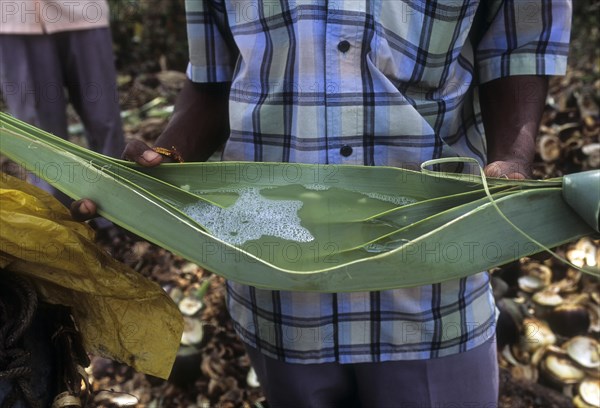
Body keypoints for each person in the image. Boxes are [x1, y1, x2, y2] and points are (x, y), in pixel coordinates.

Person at [73, 1, 572, 406]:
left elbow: (519, 48)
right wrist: (164, 159)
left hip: (431, 275)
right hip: (277, 284)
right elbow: (213, 79)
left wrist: (511, 158)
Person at [0, 0, 125, 205]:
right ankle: (60, 218)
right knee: (37, 135)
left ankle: (118, 214)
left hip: (83, 12)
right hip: (12, 18)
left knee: (104, 121)